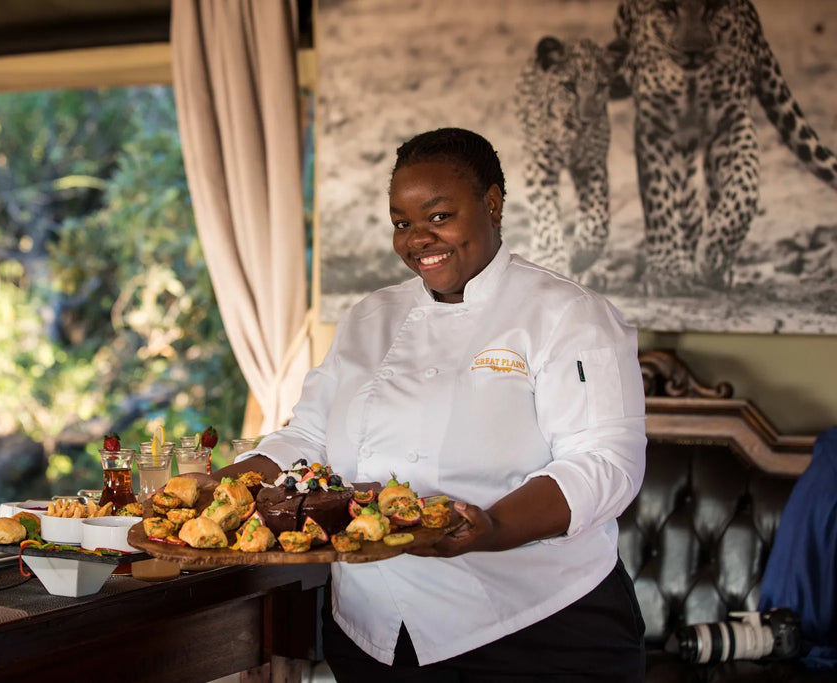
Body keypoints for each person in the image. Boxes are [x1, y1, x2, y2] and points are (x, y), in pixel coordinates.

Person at [224, 127, 647, 680]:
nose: (417, 238)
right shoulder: (368, 319)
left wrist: (493, 526)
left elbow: (606, 461)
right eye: (402, 222)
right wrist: (224, 486)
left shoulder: (567, 314)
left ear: (491, 204)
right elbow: (308, 438)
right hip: (373, 631)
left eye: (439, 216)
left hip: (533, 630)